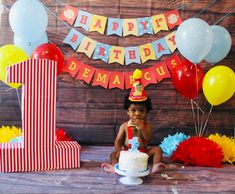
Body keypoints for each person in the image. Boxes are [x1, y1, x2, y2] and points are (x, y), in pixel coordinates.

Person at [101, 69, 165, 174]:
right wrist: (118, 150)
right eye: (133, 110)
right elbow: (118, 140)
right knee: (113, 154)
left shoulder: (147, 126)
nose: (137, 113)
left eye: (141, 110)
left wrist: (141, 127)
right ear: (128, 112)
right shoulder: (124, 126)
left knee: (157, 149)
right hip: (127, 154)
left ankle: (155, 166)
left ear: (146, 112)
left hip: (143, 154)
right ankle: (115, 167)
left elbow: (148, 137)